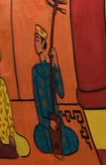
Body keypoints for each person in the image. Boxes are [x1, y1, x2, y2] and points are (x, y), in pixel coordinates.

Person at [31, 25, 79, 158]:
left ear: (43, 43)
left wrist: (56, 63)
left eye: (37, 40)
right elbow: (37, 102)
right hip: (44, 121)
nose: (35, 44)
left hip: (56, 118)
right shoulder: (35, 71)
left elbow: (61, 93)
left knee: (70, 144)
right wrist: (46, 123)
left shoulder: (52, 69)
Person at [0, 43, 30, 159]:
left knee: (24, 149)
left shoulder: (2, 83)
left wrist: (10, 133)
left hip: (7, 127)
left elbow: (7, 108)